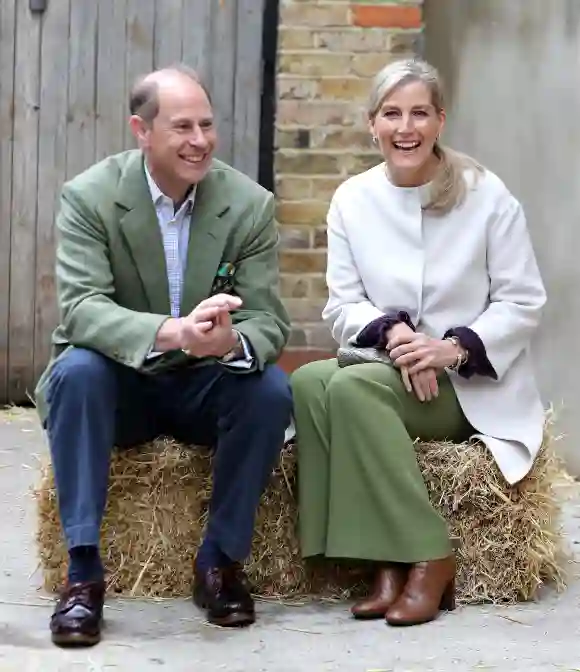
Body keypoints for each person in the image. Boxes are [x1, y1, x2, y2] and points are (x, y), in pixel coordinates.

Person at [34, 64, 293, 646]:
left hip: (204, 381)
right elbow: (81, 310)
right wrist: (173, 332)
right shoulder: (90, 197)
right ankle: (82, 576)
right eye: (182, 127)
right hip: (122, 380)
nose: (199, 140)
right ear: (141, 130)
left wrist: (231, 341)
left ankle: (219, 562)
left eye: (206, 124)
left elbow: (270, 319)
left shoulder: (247, 205)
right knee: (75, 371)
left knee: (271, 389)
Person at [290, 58, 547, 627]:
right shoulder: (351, 199)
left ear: (440, 120)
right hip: (391, 364)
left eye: (419, 113)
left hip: (470, 384)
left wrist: (450, 349)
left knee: (355, 390)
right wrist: (397, 333)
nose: (405, 128)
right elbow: (341, 305)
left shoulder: (487, 196)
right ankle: (376, 562)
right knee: (309, 382)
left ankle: (429, 554)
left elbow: (523, 300)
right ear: (372, 124)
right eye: (392, 114)